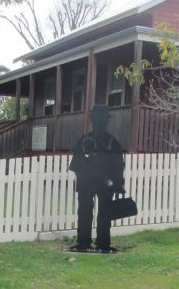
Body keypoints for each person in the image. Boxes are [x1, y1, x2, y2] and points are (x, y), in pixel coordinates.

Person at [68, 104, 125, 254]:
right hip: (92, 183)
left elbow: (118, 166)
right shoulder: (86, 141)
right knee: (88, 212)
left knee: (102, 213)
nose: (99, 122)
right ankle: (87, 243)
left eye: (101, 119)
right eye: (98, 119)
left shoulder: (111, 142)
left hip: (102, 184)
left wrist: (118, 183)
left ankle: (99, 244)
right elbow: (76, 165)